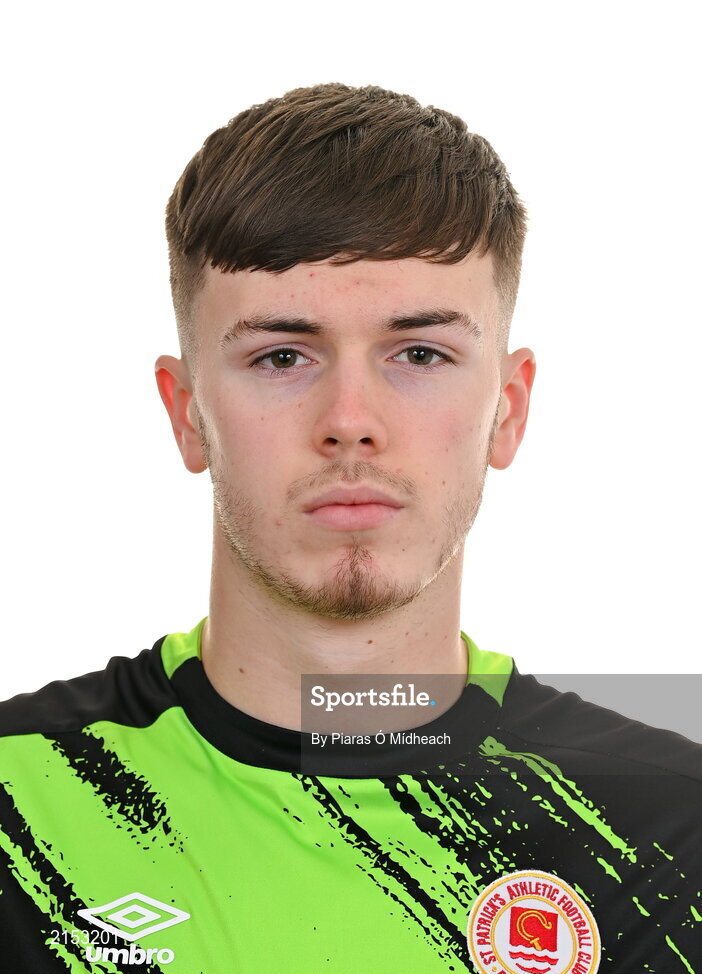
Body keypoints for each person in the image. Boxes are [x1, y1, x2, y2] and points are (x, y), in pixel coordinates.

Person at [0, 82, 699, 974]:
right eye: (282, 356)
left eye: (419, 353)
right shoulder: (19, 805)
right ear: (187, 414)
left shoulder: (670, 840)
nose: (350, 420)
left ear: (508, 409)